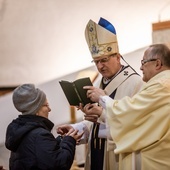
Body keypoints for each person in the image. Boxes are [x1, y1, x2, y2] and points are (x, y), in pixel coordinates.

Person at [57, 17, 143, 170]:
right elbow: (96, 124)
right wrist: (77, 128)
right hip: (97, 153)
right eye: (96, 61)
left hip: (119, 157)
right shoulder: (101, 82)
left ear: (117, 57)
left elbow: (135, 126)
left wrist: (102, 114)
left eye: (103, 60)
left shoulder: (135, 83)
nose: (100, 66)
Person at [84, 43, 170, 170]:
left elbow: (131, 113)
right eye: (96, 62)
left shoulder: (160, 85)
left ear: (157, 64)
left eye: (143, 62)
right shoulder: (162, 83)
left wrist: (102, 100)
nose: (140, 68)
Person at [5, 84, 83, 170]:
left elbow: (41, 154)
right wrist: (69, 141)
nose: (49, 109)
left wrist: (62, 140)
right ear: (36, 110)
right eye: (46, 105)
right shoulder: (39, 135)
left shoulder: (21, 131)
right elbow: (59, 164)